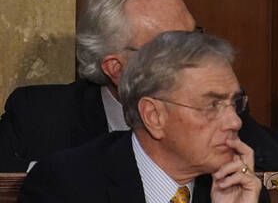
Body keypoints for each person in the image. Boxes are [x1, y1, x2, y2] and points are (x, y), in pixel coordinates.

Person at [0, 0, 278, 172]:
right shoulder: (39, 114)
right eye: (171, 45)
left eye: (193, 37)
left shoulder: (215, 110)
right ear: (116, 67)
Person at [19, 30, 265, 202]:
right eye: (212, 105)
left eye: (234, 103)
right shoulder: (66, 186)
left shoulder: (241, 188)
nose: (235, 121)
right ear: (153, 115)